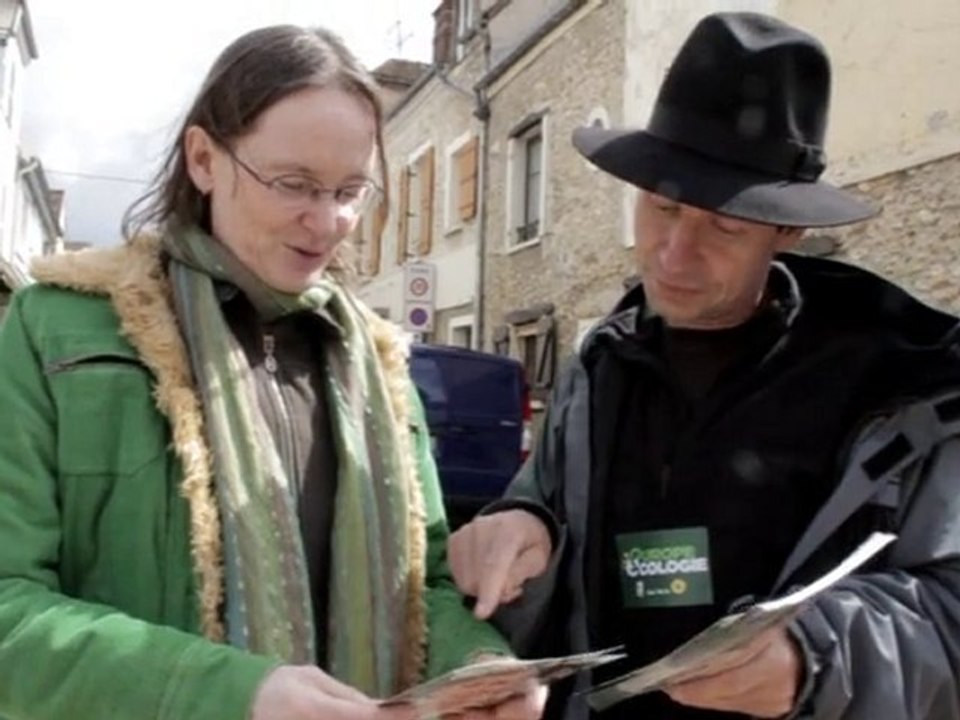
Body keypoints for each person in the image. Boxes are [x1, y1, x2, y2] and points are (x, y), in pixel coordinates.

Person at [0, 25, 546, 720]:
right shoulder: (56, 330)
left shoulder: (379, 365)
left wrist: (476, 664)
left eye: (351, 190)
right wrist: (233, 695)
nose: (329, 222)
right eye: (294, 185)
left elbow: (425, 589)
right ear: (203, 159)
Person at [448, 12, 960, 720]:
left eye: (724, 226)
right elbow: (545, 507)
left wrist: (813, 658)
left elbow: (950, 615)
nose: (673, 254)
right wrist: (519, 521)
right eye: (661, 207)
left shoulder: (909, 392)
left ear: (787, 230)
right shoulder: (596, 368)